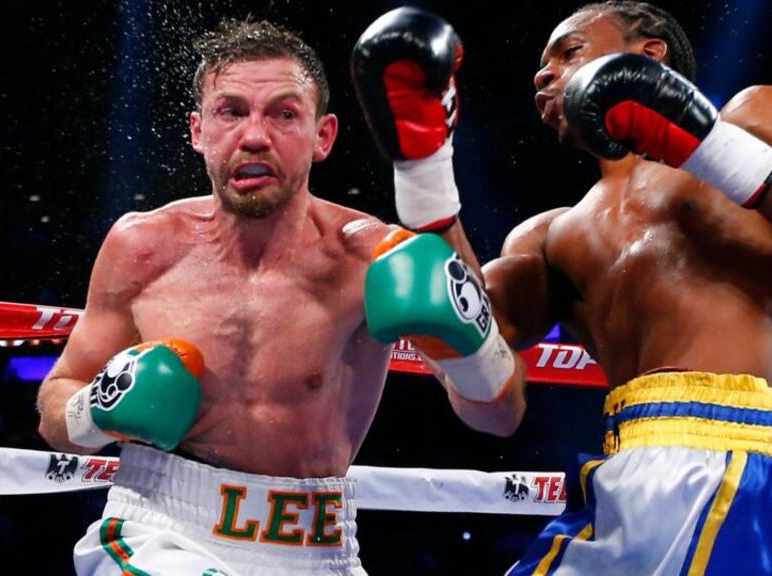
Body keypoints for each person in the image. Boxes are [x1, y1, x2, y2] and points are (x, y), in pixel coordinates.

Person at [439, 1, 772, 574]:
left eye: (570, 51)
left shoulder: (756, 118)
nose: (544, 74)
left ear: (649, 55)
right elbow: (465, 333)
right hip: (615, 482)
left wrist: (708, 149)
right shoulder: (547, 235)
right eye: (542, 66)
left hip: (736, 470)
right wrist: (427, 173)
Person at [33, 17, 494, 576]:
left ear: (322, 136)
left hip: (322, 547)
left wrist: (473, 332)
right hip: (162, 532)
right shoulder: (142, 246)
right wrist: (95, 412)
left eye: (283, 113)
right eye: (231, 111)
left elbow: (491, 410)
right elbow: (56, 401)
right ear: (198, 131)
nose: (254, 135)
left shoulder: (371, 258)